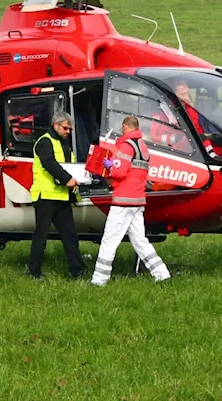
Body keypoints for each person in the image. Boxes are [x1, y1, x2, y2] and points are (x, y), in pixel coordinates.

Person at [91, 116, 171, 286]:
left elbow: (119, 172)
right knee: (140, 240)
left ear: (125, 127)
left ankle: (99, 279)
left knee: (109, 240)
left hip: (122, 201)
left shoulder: (127, 146)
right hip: (137, 201)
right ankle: (162, 274)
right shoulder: (143, 147)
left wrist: (109, 165)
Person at [28, 111, 86, 279]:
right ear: (56, 125)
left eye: (70, 129)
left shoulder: (63, 144)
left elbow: (69, 166)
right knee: (41, 236)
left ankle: (77, 270)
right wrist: (68, 179)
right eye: (65, 128)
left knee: (70, 236)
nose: (68, 132)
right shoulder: (45, 142)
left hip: (61, 197)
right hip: (45, 196)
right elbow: (49, 163)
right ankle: (34, 272)